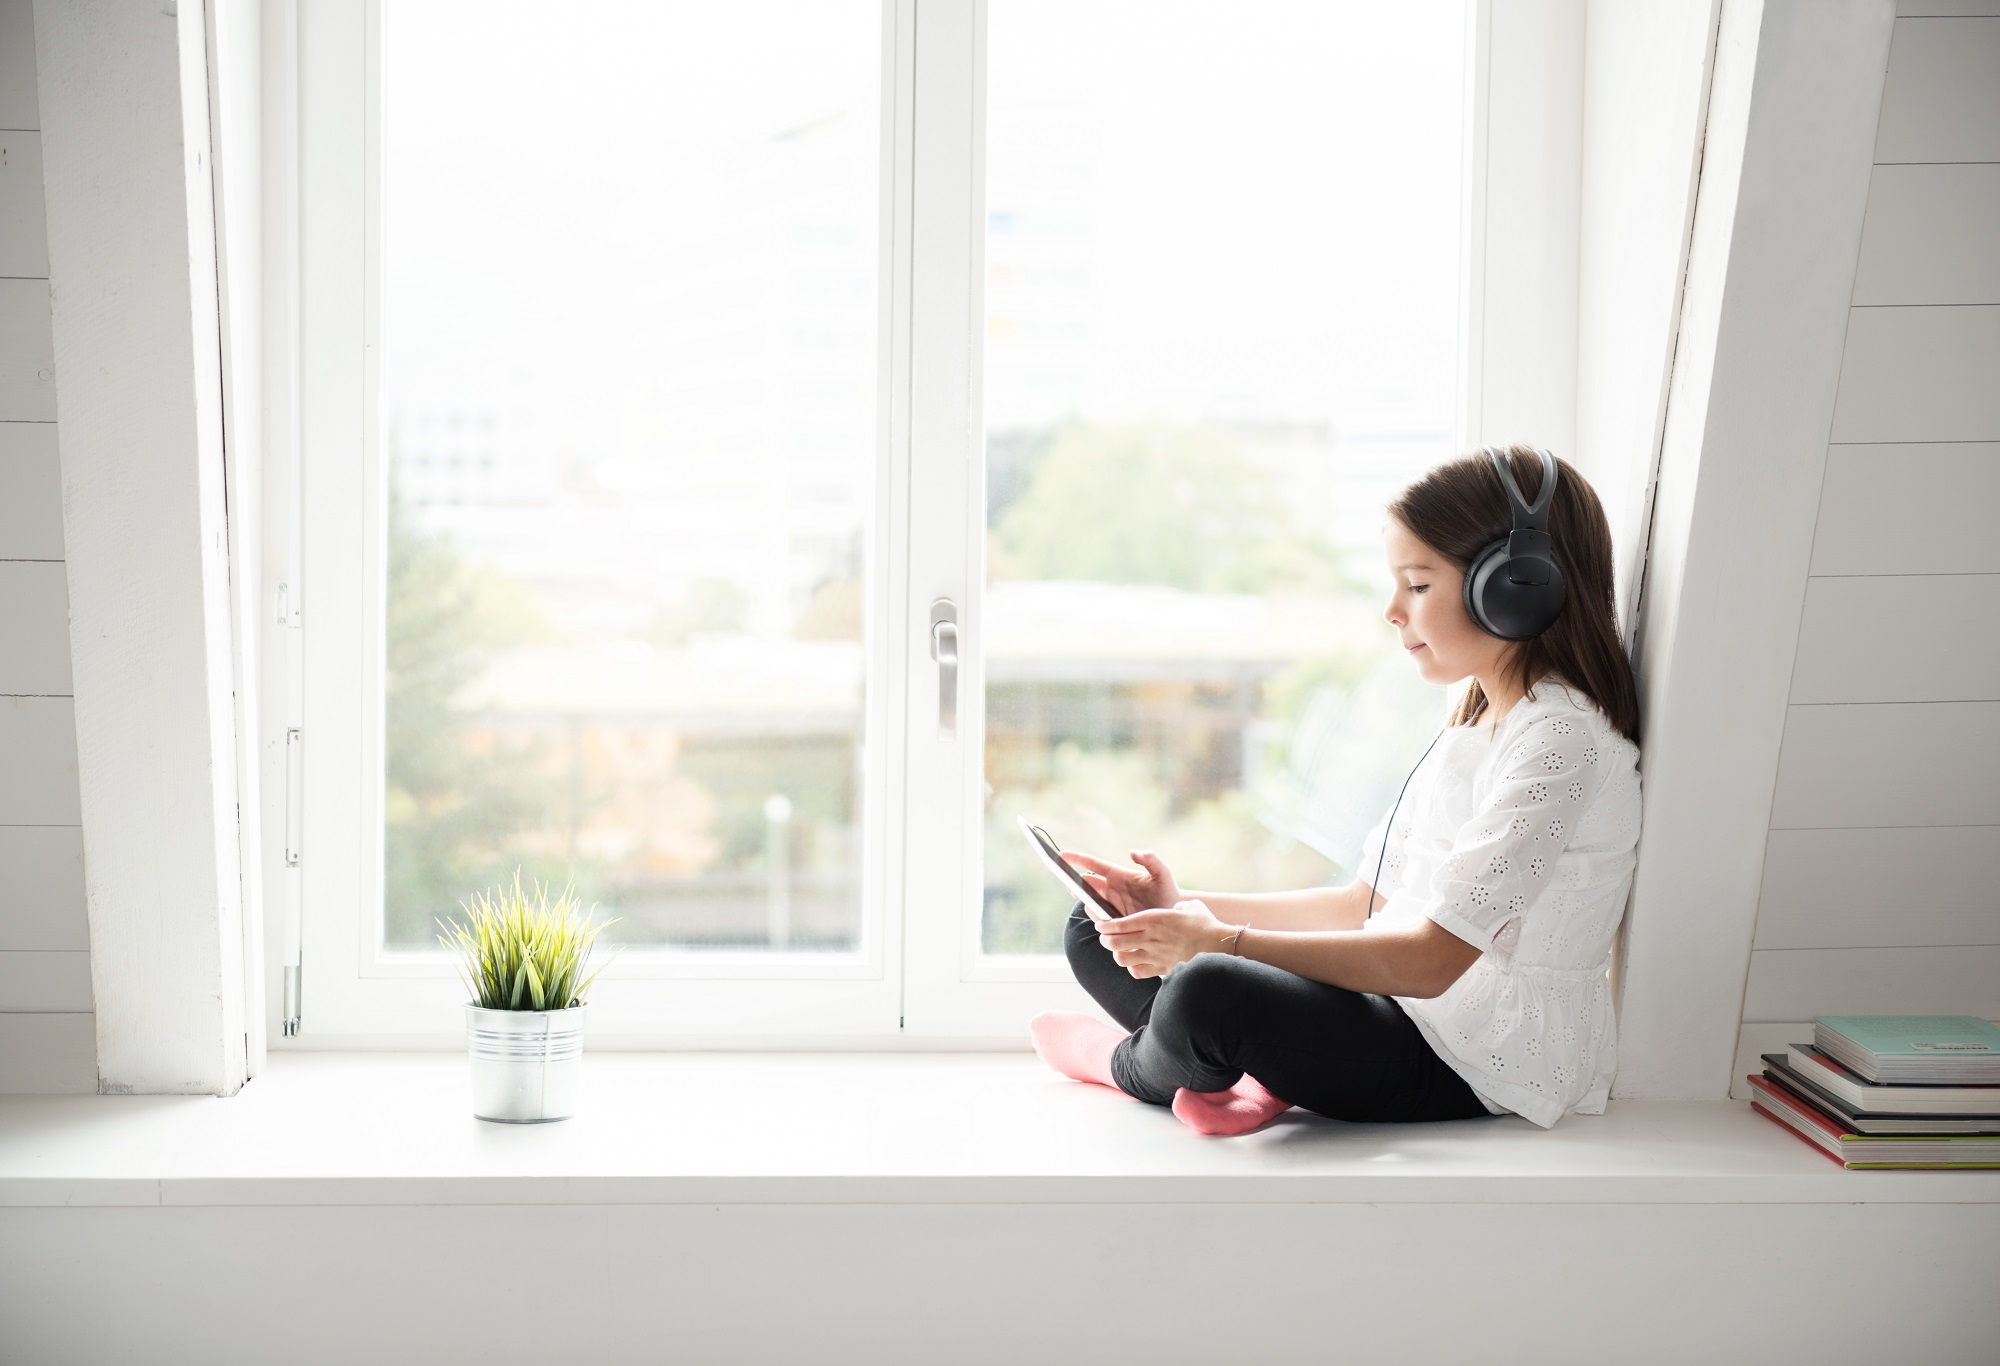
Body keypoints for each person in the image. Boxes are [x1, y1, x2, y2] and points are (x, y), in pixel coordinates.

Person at [1029, 445, 1643, 1135]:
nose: (1391, 610)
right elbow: (1365, 903)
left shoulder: (1560, 741)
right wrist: (1181, 906)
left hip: (1470, 1056)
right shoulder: (1474, 723)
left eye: (1416, 584)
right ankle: (1252, 1072)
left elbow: (1433, 962)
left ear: (1513, 587)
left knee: (1207, 990)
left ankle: (1123, 1063)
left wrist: (1219, 943)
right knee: (1098, 924)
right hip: (1399, 1005)